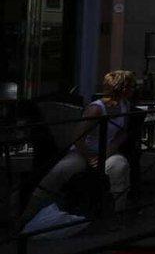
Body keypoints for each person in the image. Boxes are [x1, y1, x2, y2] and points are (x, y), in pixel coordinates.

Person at [20, 70, 138, 235]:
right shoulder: (96, 109)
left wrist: (108, 152)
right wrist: (89, 158)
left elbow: (122, 133)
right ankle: (27, 215)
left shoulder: (125, 105)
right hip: (83, 151)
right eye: (132, 86)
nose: (134, 89)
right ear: (122, 88)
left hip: (106, 151)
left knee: (120, 168)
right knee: (59, 172)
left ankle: (116, 216)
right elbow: (78, 137)